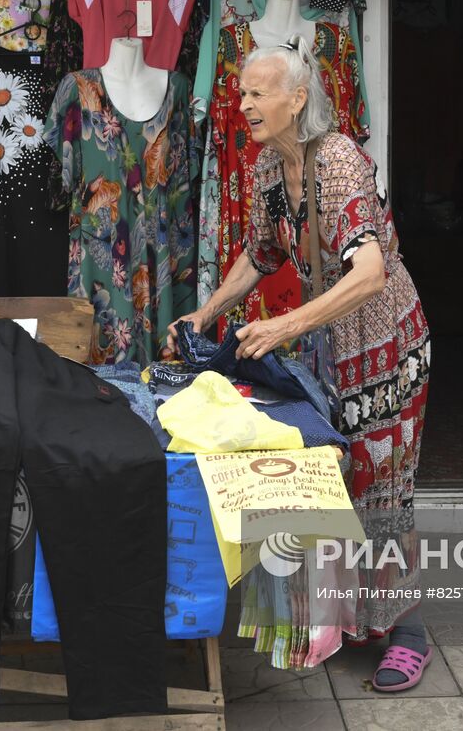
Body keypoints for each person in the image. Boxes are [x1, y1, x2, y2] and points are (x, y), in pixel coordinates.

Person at [167, 36, 433, 691]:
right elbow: (262, 255)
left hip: (386, 345)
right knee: (337, 479)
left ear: (298, 97)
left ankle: (408, 631)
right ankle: (348, 619)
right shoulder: (267, 168)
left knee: (381, 485)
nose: (245, 102)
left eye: (258, 92)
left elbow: (369, 272)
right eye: (242, 91)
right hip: (332, 343)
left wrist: (283, 324)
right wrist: (205, 314)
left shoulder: (339, 160)